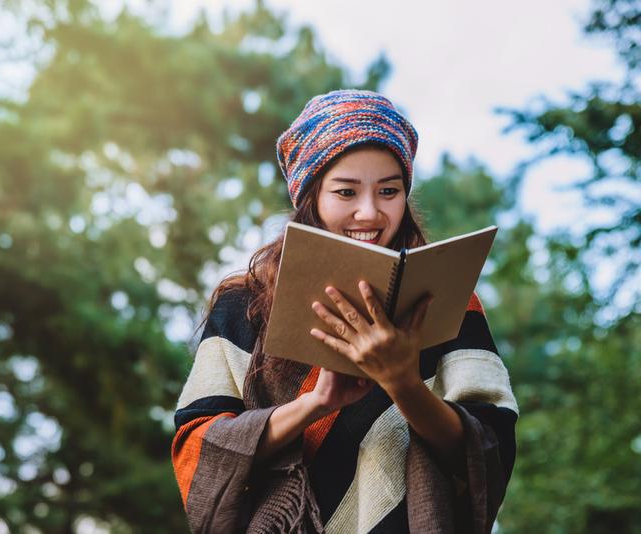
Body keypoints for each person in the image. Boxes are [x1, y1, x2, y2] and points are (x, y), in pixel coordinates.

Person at [171, 89, 518, 533]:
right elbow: (197, 451)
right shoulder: (244, 305)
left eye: (389, 191)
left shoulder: (451, 302)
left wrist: (404, 385)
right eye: (346, 191)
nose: (369, 212)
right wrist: (317, 403)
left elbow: (491, 449)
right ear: (311, 196)